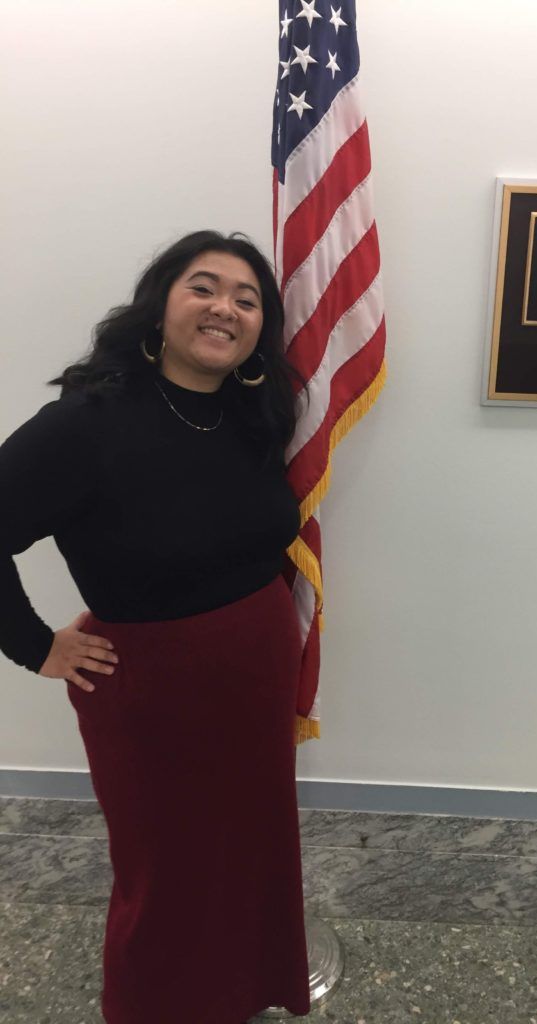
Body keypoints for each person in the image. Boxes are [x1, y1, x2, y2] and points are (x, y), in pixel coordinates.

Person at [0, 230, 312, 1022]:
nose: (225, 309)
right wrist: (36, 646)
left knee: (249, 851)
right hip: (151, 698)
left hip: (255, 674)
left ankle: (243, 991)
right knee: (167, 872)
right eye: (203, 287)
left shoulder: (251, 415)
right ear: (159, 307)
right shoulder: (87, 422)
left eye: (247, 300)